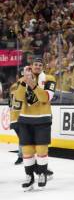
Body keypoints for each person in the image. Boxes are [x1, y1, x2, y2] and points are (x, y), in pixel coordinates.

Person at [10, 56, 56, 190]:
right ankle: (29, 177)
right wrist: (25, 81)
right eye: (35, 64)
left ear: (43, 67)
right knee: (27, 151)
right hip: (25, 119)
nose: (37, 67)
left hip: (43, 119)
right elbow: (17, 98)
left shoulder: (49, 79)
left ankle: (42, 173)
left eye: (40, 65)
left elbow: (45, 97)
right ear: (31, 66)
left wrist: (32, 84)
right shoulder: (21, 80)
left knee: (42, 149)